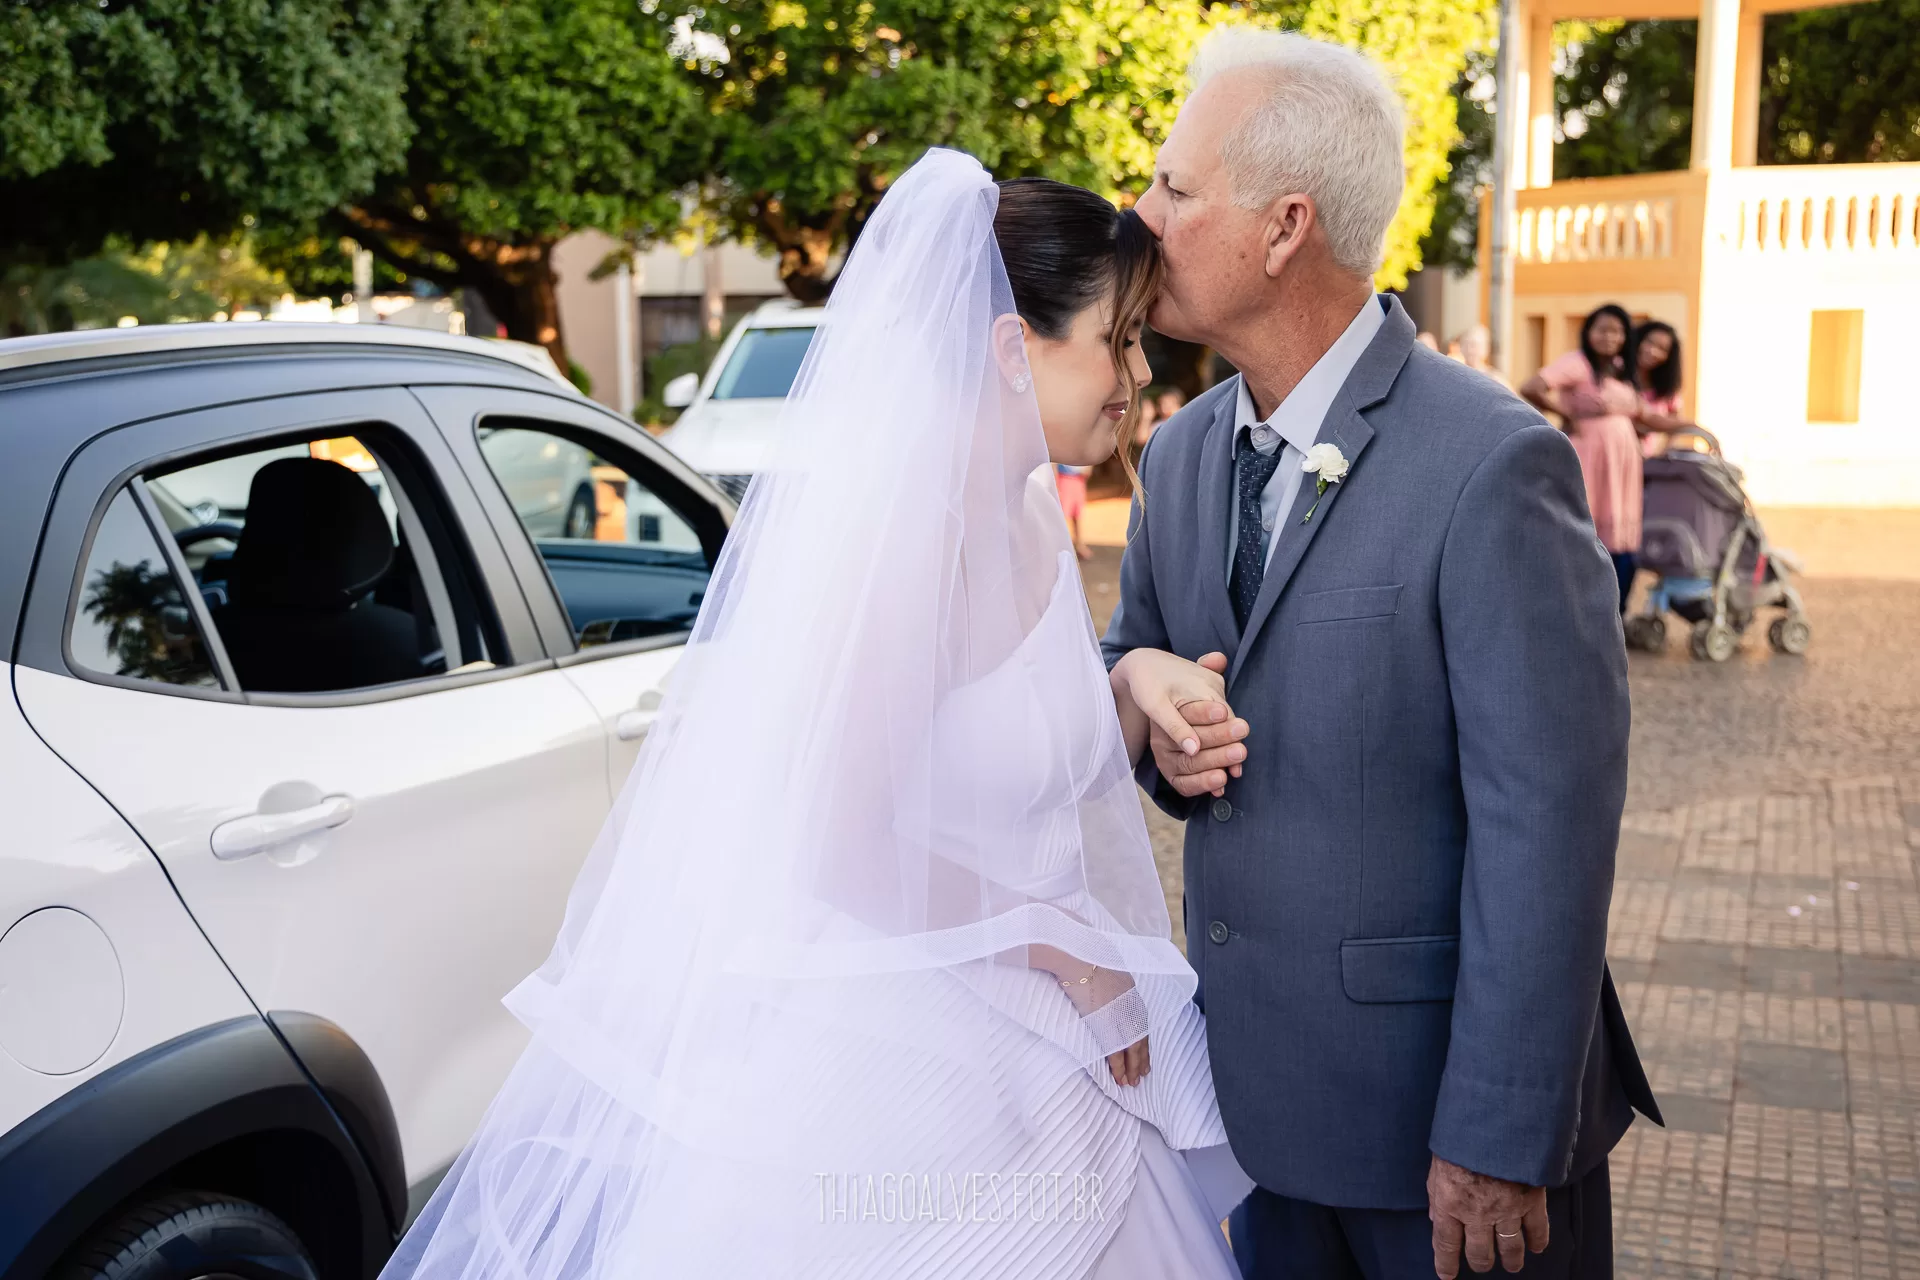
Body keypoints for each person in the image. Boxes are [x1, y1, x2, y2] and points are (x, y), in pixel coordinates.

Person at [383, 151, 1251, 1280]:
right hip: (919, 1056)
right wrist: (1066, 955)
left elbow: (1007, 760)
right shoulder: (907, 549)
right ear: (1011, 347)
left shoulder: (1032, 518)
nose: (1137, 374)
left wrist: (1132, 687)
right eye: (1118, 338)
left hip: (1047, 1055)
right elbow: (840, 842)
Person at [1104, 30, 1658, 1279]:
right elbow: (1127, 660)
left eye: (1175, 187)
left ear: (1285, 227)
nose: (1140, 215)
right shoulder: (1180, 454)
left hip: (1443, 1150)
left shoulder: (1495, 460)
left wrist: (1498, 1132)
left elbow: (1547, 819)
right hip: (1246, 1119)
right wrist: (1147, 711)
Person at [1519, 305, 1645, 611]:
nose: (1609, 337)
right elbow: (1531, 387)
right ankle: (1582, 608)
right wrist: (1566, 414)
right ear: (1588, 332)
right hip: (1590, 453)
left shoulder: (1620, 368)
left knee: (1621, 533)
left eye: (1617, 331)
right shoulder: (1576, 363)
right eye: (1602, 329)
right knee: (1587, 526)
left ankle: (1617, 610)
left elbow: (1641, 414)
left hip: (1622, 462)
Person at [1627, 320, 1689, 457]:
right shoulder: (1618, 376)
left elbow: (1675, 425)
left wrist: (1662, 454)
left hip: (1646, 461)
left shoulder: (1666, 390)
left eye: (1662, 349)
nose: (1652, 351)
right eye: (1649, 342)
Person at [1057, 460, 1094, 558]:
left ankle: (1079, 545)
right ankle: (1061, 546)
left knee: (1077, 514)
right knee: (1063, 515)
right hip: (1064, 478)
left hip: (1078, 479)